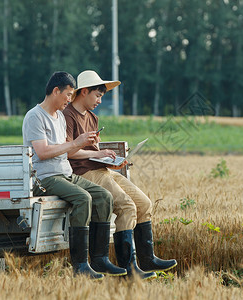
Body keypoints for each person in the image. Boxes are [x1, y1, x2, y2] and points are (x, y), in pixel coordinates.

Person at [63, 70, 177, 280]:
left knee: (144, 204)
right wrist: (97, 153)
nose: (99, 101)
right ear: (84, 92)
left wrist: (109, 159)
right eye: (97, 96)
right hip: (84, 173)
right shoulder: (67, 115)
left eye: (101, 97)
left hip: (101, 169)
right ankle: (129, 268)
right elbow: (69, 151)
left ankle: (147, 258)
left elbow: (92, 149)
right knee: (126, 205)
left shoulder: (93, 118)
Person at [22, 71, 126, 279]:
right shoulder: (35, 116)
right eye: (68, 95)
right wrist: (76, 142)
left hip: (66, 173)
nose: (70, 99)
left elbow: (66, 149)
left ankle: (100, 259)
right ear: (55, 91)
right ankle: (80, 265)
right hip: (46, 177)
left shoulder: (60, 116)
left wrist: (86, 145)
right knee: (83, 198)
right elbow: (42, 153)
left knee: (104, 197)